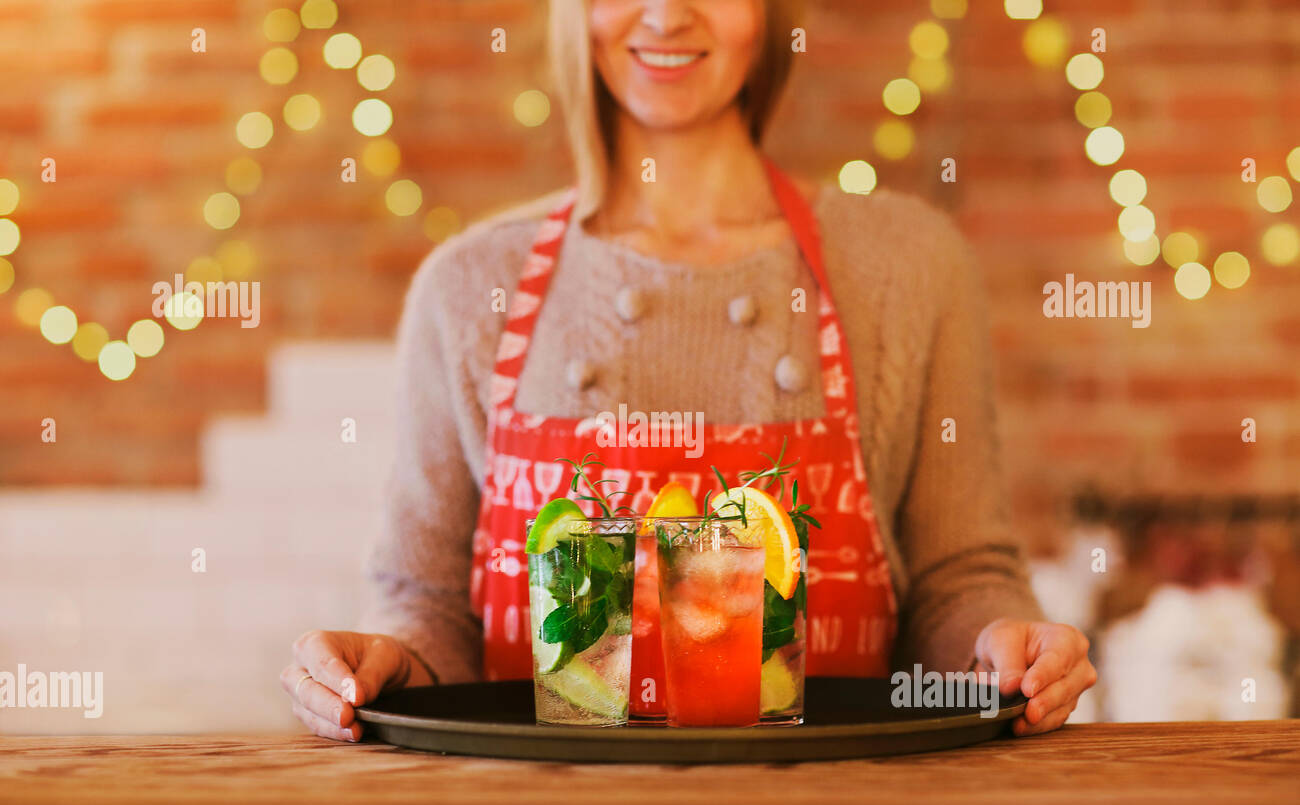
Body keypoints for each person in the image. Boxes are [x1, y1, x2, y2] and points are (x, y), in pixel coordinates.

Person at [281, 0, 1096, 741]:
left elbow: (960, 580)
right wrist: (378, 668)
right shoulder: (466, 287)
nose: (666, 15)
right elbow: (427, 609)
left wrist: (1007, 651)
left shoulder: (909, 269)